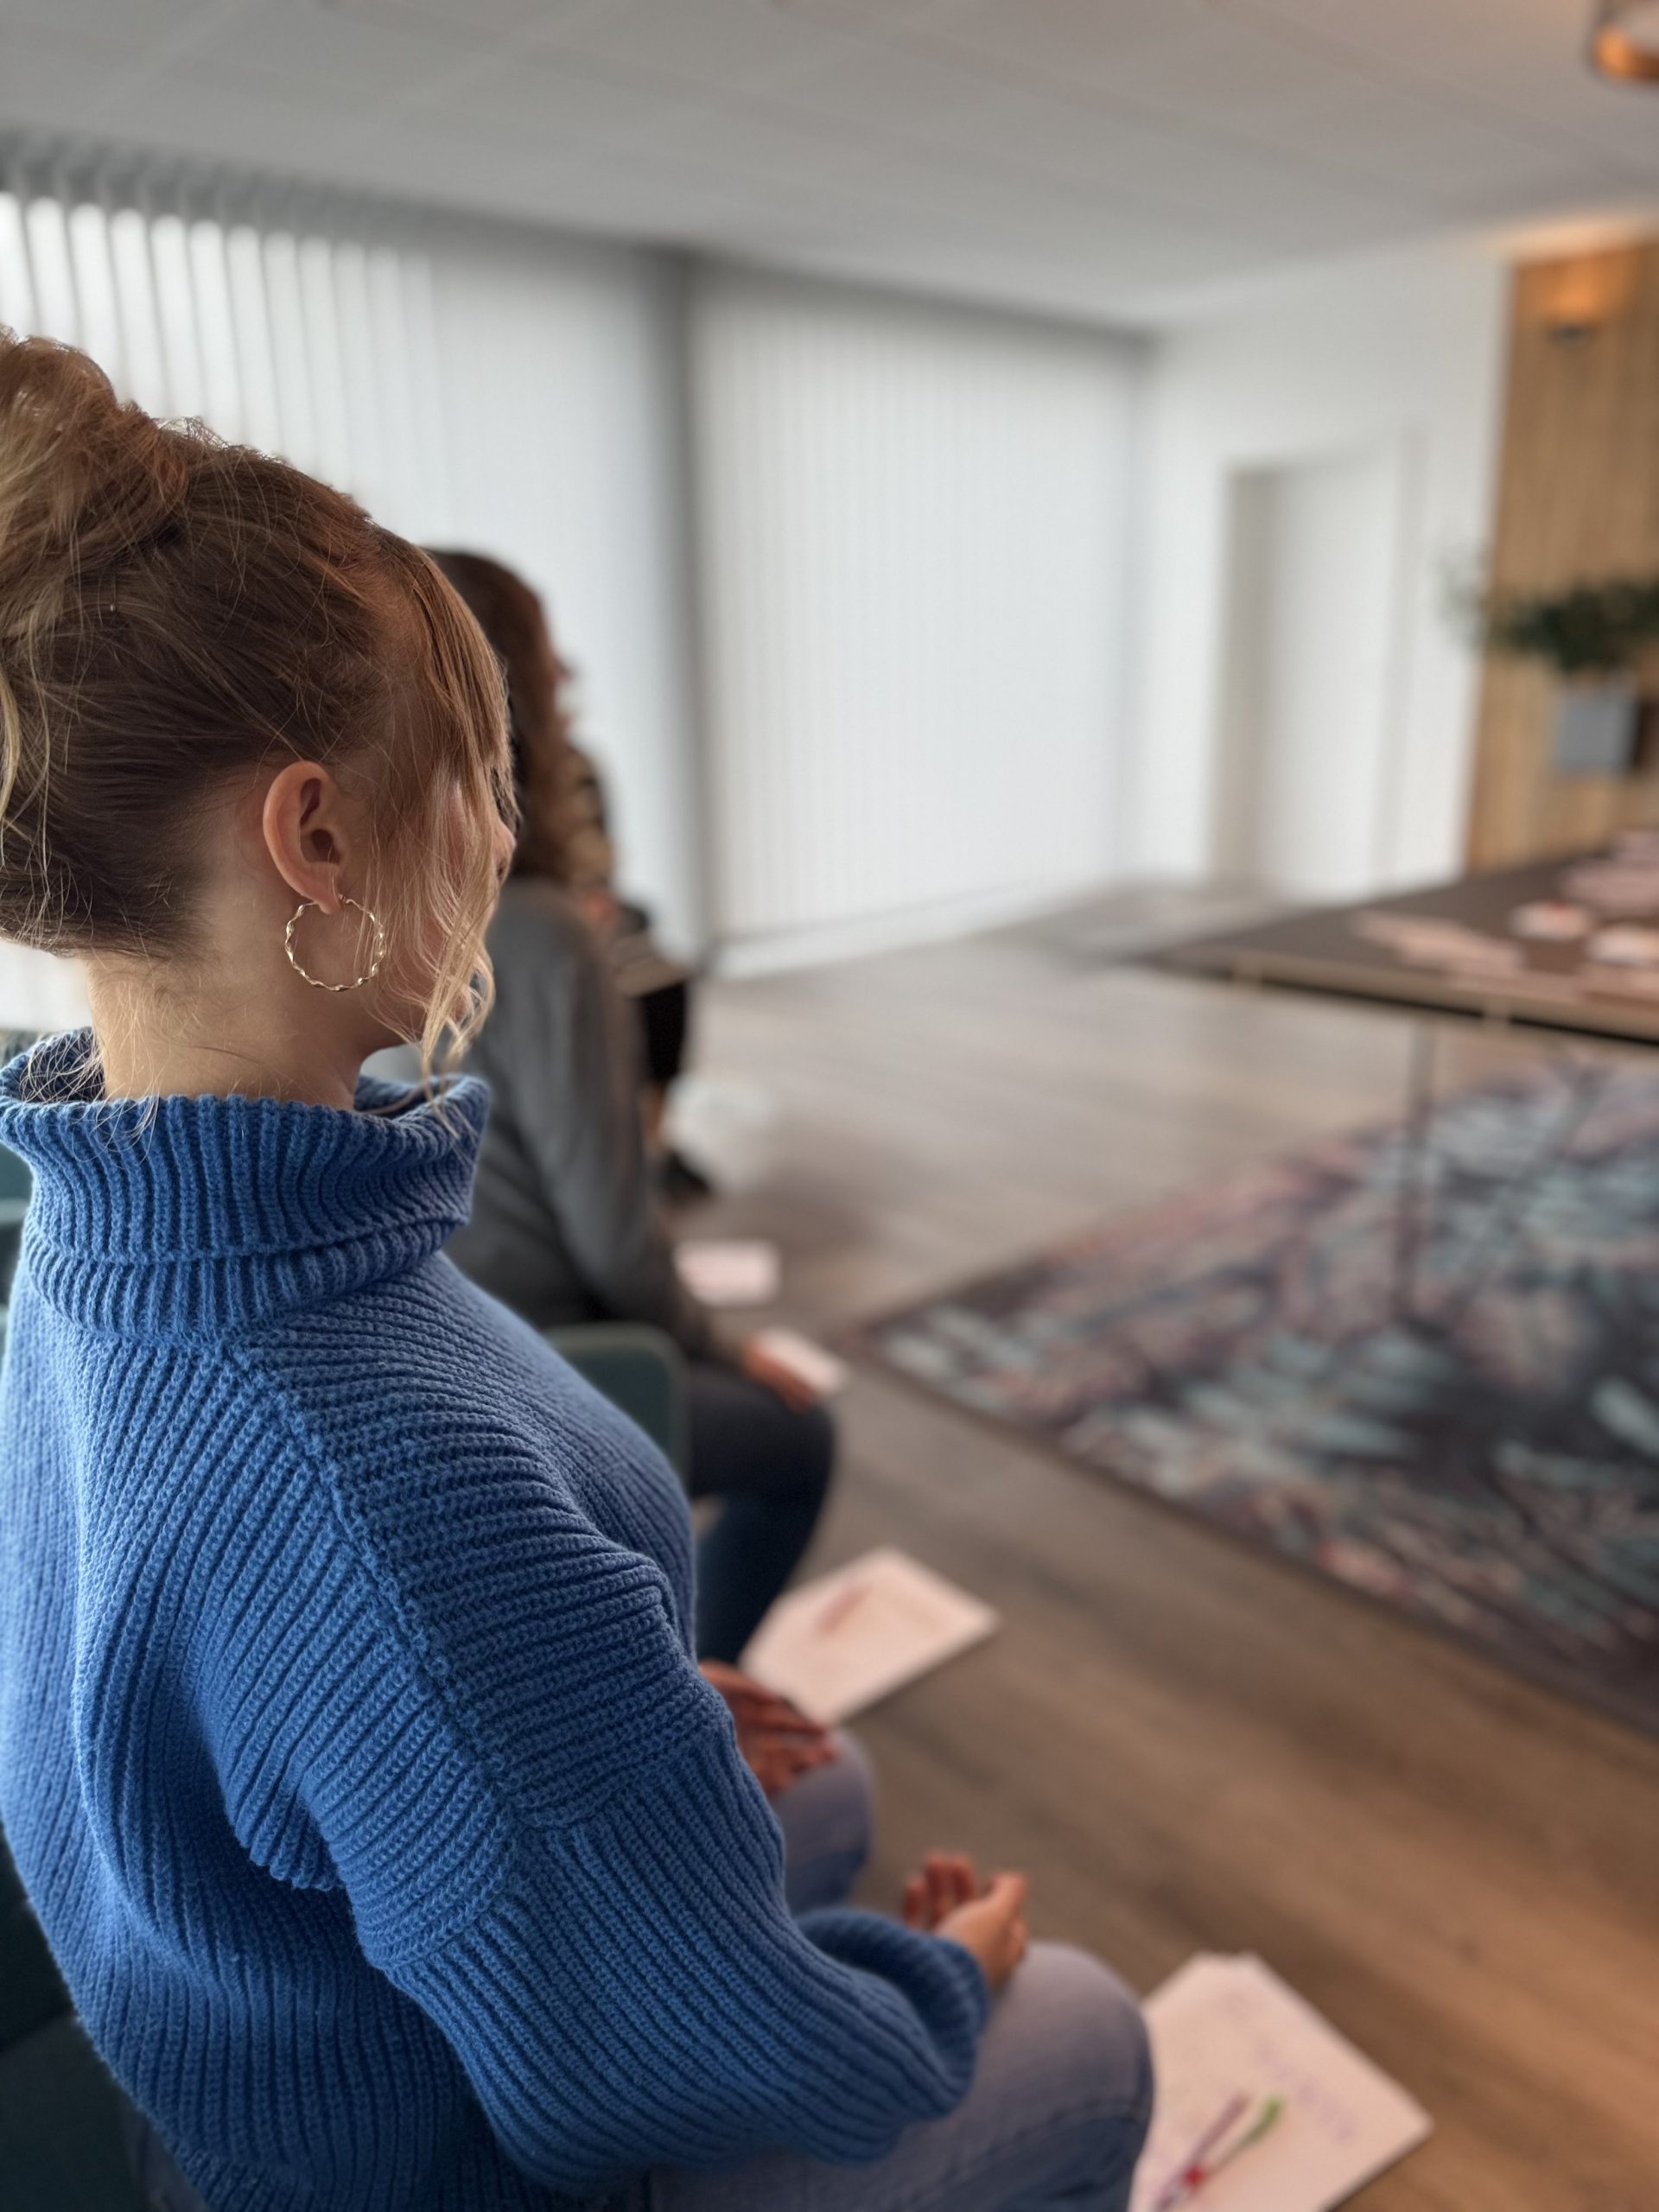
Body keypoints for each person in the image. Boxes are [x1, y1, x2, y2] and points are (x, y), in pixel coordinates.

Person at [0, 333, 1152, 2212]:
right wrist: (951, 1980)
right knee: (1086, 2023)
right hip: (431, 2159)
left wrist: (616, 1706)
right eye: (474, 779)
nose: (503, 834)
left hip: (239, 2068)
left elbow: (310, 1701)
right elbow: (638, 2067)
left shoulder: (94, 1235)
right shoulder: (375, 1471)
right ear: (314, 832)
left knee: (833, 1783)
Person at [429, 548, 835, 1665]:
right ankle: (687, 1696)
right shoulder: (537, 932)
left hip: (458, 1344)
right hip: (547, 1366)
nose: (571, 689)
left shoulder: (386, 916)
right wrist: (727, 1351)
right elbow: (615, 1243)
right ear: (510, 698)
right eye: (551, 668)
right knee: (803, 1441)